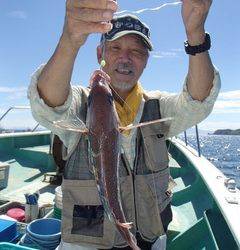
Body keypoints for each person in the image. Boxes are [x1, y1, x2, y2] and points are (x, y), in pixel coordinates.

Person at [28, 0, 221, 249]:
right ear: (101, 54)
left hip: (150, 239)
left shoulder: (159, 107)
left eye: (137, 52)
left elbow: (198, 101)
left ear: (146, 60)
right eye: (115, 47)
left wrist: (196, 35)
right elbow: (48, 104)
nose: (125, 58)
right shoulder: (78, 106)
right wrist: (70, 40)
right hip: (89, 242)